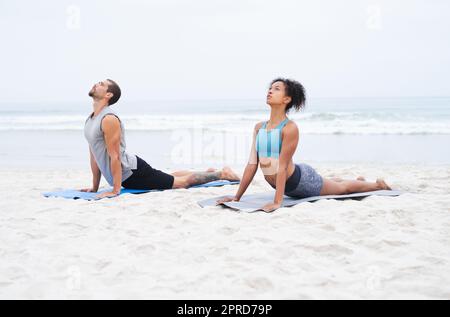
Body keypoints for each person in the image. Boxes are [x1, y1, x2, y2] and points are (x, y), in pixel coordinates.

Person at [217, 78, 391, 212]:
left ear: (287, 99)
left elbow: (282, 166)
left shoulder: (289, 128)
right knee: (329, 183)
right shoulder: (258, 128)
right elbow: (252, 164)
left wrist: (278, 202)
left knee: (341, 189)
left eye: (276, 89)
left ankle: (377, 185)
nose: (270, 91)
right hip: (285, 182)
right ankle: (357, 181)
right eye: (269, 88)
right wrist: (236, 197)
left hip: (301, 181)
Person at [81, 79, 240, 199]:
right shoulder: (91, 120)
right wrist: (94, 187)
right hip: (128, 173)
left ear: (109, 95)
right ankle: (207, 172)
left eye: (101, 84)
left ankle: (221, 174)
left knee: (180, 183)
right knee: (168, 177)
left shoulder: (109, 119)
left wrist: (115, 190)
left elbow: (114, 156)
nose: (96, 84)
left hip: (132, 174)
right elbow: (94, 154)